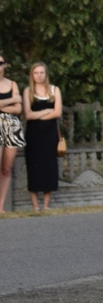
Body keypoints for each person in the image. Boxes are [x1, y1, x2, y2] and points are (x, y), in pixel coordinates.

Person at [22, 62, 62, 212]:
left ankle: (46, 205)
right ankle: (35, 206)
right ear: (32, 75)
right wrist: (47, 110)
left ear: (46, 74)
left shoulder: (54, 90)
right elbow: (28, 115)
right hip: (34, 135)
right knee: (34, 167)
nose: (39, 76)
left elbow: (58, 113)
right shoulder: (28, 91)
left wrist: (39, 115)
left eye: (41, 72)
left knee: (49, 167)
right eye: (36, 73)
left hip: (50, 134)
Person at [0, 53, 25, 212]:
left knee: (6, 168)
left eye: (1, 62)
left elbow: (19, 108)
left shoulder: (12, 84)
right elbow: (15, 103)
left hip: (11, 125)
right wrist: (11, 100)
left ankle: (0, 207)